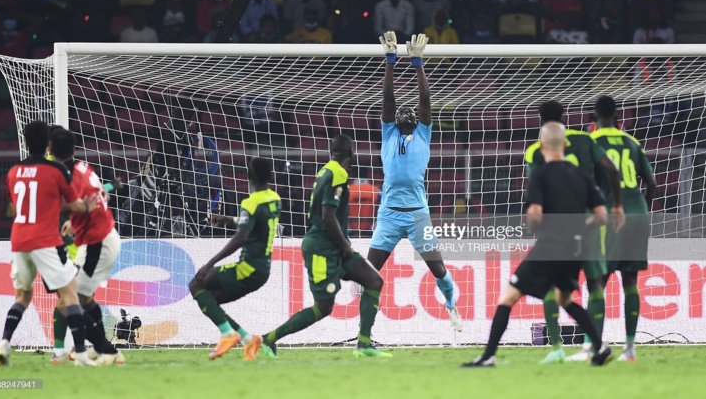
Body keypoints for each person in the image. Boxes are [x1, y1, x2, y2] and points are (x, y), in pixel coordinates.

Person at [461, 122, 614, 367]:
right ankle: (600, 347)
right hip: (576, 248)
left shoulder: (540, 174)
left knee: (508, 297)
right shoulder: (582, 176)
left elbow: (534, 215)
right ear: (564, 144)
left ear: (541, 145)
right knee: (565, 300)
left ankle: (488, 356)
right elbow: (602, 215)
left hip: (551, 244)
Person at [258, 135, 390, 358]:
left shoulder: (324, 170)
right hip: (322, 247)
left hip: (332, 245)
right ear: (351, 153)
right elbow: (328, 217)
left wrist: (342, 245)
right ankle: (269, 338)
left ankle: (364, 343)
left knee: (373, 280)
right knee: (323, 307)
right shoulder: (339, 173)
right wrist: (345, 246)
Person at [371, 31, 464, 331]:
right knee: (368, 273)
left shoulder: (423, 132)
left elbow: (424, 100)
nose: (405, 111)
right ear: (394, 120)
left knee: (437, 268)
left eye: (410, 111)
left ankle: (450, 304)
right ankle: (364, 332)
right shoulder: (389, 133)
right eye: (400, 111)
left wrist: (418, 63)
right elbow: (388, 98)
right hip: (388, 215)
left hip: (416, 216)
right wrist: (389, 61)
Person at [525, 101, 624, 364]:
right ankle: (592, 347)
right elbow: (612, 170)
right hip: (589, 224)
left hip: (555, 229)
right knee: (595, 285)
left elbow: (537, 192)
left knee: (551, 287)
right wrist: (614, 205)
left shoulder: (536, 150)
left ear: (539, 119)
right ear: (564, 117)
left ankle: (556, 347)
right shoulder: (584, 139)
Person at [0, 121, 100, 366]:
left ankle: (4, 343)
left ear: (25, 143)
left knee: (22, 296)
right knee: (70, 293)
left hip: (19, 241)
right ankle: (81, 354)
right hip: (45, 240)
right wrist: (88, 206)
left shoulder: (13, 172)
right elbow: (75, 205)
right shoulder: (56, 171)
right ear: (48, 144)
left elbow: (13, 209)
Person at [189, 158, 280, 361]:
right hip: (263, 270)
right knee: (209, 299)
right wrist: (231, 220)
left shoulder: (250, 202)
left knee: (196, 284)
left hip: (247, 268)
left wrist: (210, 263)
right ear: (271, 177)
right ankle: (248, 339)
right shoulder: (274, 198)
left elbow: (242, 237)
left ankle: (229, 334)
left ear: (249, 176)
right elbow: (259, 223)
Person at [49, 128, 125, 366]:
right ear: (73, 149)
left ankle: (109, 351)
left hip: (97, 244)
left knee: (66, 302)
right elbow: (102, 194)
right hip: (100, 238)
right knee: (84, 299)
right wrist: (75, 218)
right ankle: (102, 350)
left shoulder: (65, 177)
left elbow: (81, 202)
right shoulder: (83, 167)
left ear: (50, 149)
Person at [591, 96, 657, 362]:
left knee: (598, 281)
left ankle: (593, 346)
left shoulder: (593, 143)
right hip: (637, 213)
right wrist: (642, 213)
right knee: (630, 282)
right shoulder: (632, 142)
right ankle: (629, 349)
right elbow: (651, 184)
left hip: (610, 215)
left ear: (594, 116)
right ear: (618, 115)